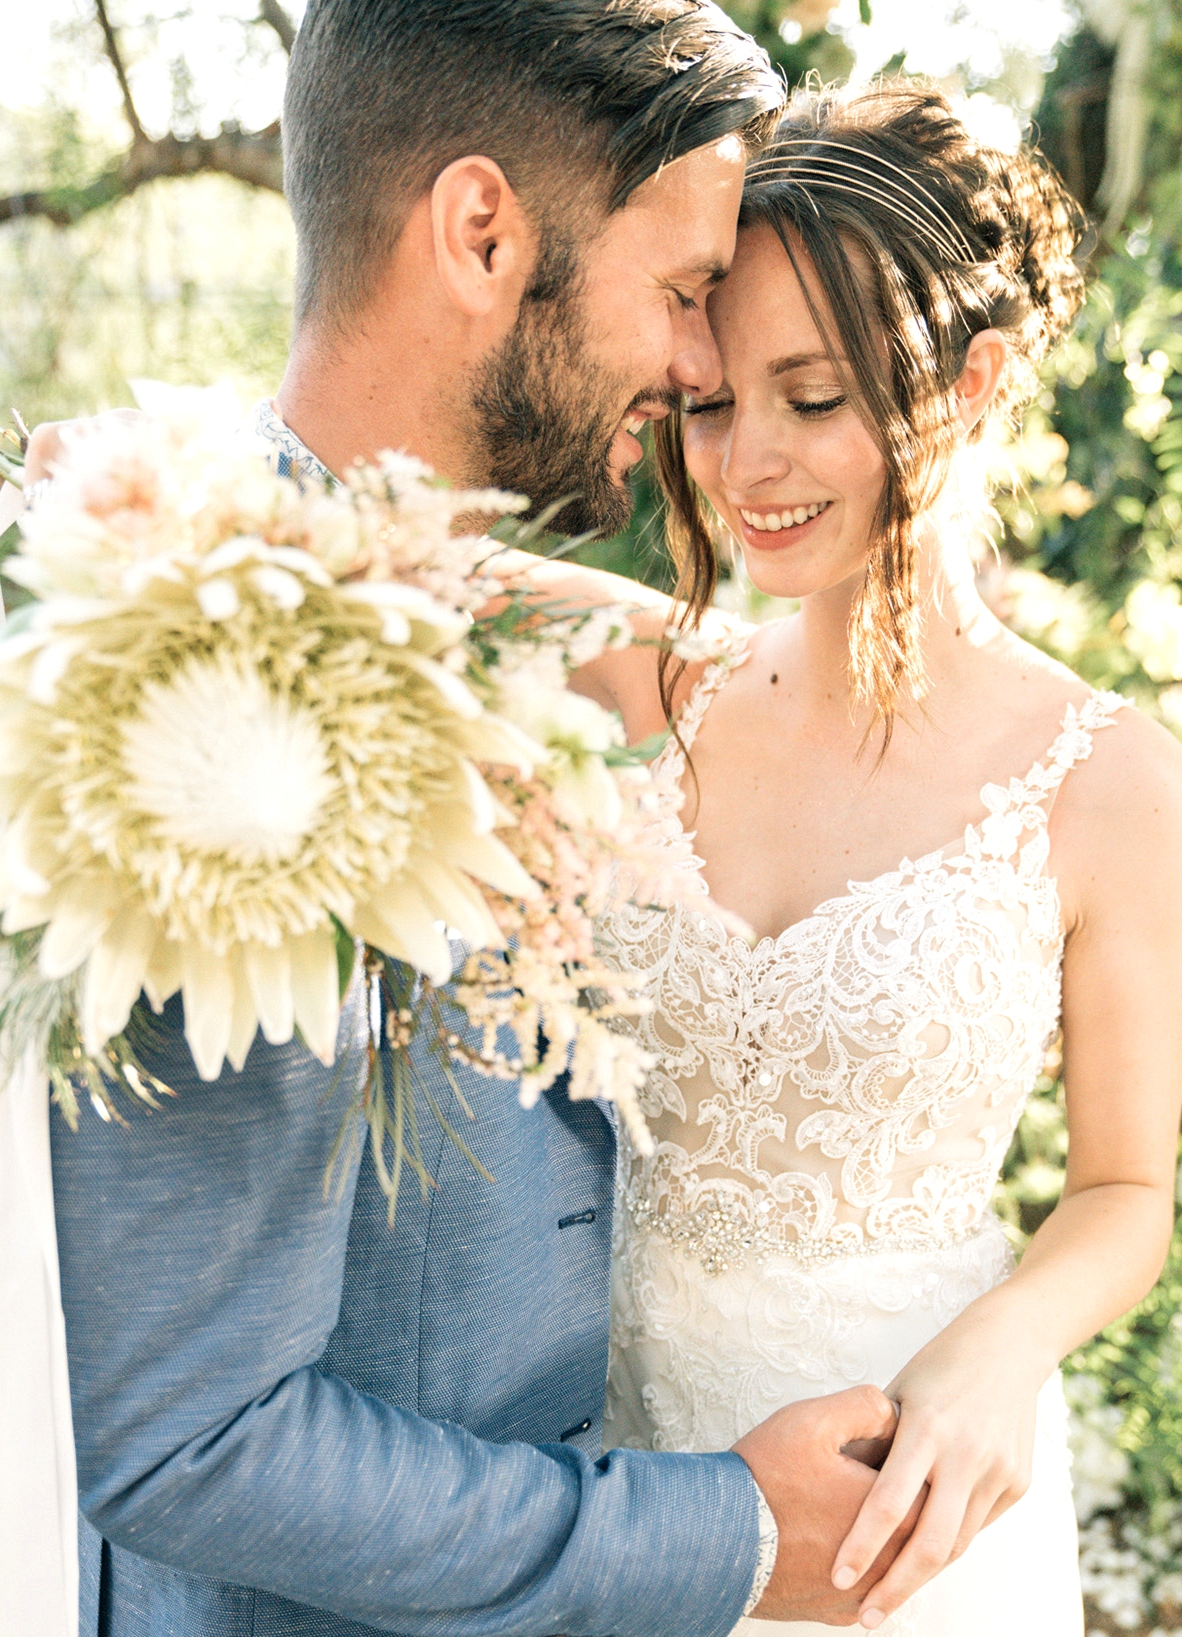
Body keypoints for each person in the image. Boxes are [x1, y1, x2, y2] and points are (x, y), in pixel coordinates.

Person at [21, 7, 922, 1637]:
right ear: (482, 231)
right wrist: (716, 1534)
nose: (703, 367)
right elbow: (190, 1438)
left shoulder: (353, 575)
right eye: (680, 291)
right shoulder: (220, 715)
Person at [487, 83, 1182, 1635]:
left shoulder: (1111, 781)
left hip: (911, 1495)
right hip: (633, 1493)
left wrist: (1005, 1344)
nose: (745, 465)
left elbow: (1128, 1188)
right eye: (716, 400)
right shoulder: (653, 676)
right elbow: (372, 556)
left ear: (973, 380)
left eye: (812, 398)